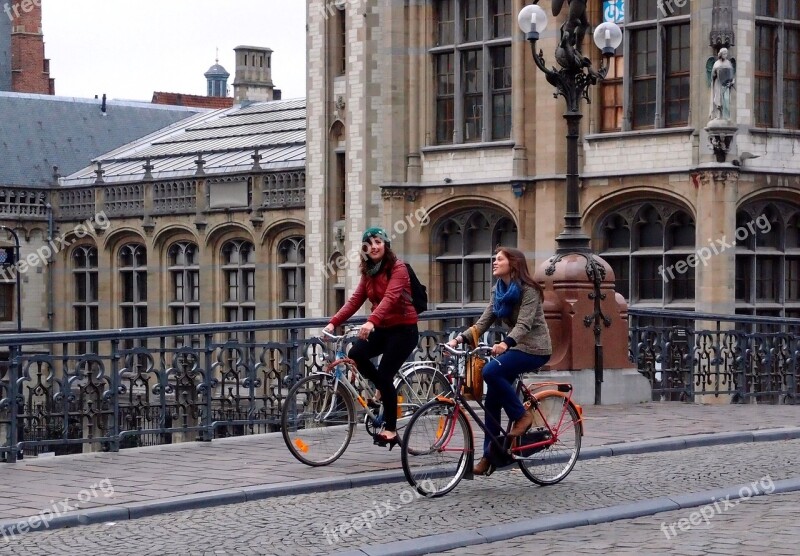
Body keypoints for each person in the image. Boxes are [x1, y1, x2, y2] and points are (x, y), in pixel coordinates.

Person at [447, 246, 552, 475]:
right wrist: (460, 339)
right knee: (492, 402)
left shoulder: (529, 290)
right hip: (516, 347)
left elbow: (524, 324)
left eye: (499, 259)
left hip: (535, 348)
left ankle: (522, 416)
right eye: (494, 258)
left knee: (490, 372)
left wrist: (505, 343)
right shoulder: (499, 290)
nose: (494, 262)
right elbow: (484, 320)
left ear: (512, 264)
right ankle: (490, 455)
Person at [322, 227, 419, 449]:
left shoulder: (398, 268)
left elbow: (391, 298)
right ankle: (381, 391)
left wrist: (371, 321)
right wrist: (333, 322)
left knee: (385, 375)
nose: (374, 246)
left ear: (385, 245)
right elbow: (355, 300)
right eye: (369, 243)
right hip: (382, 328)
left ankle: (391, 429)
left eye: (378, 242)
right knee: (356, 353)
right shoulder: (369, 271)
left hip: (404, 330)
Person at [709, 47, 735, 121]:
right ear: (720, 54)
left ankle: (726, 116)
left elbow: (732, 76)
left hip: (726, 85)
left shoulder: (729, 63)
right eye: (724, 53)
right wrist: (715, 75)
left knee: (726, 100)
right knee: (718, 100)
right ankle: (718, 115)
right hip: (718, 84)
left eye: (726, 53)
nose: (725, 55)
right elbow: (712, 75)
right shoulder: (716, 63)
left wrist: (732, 82)